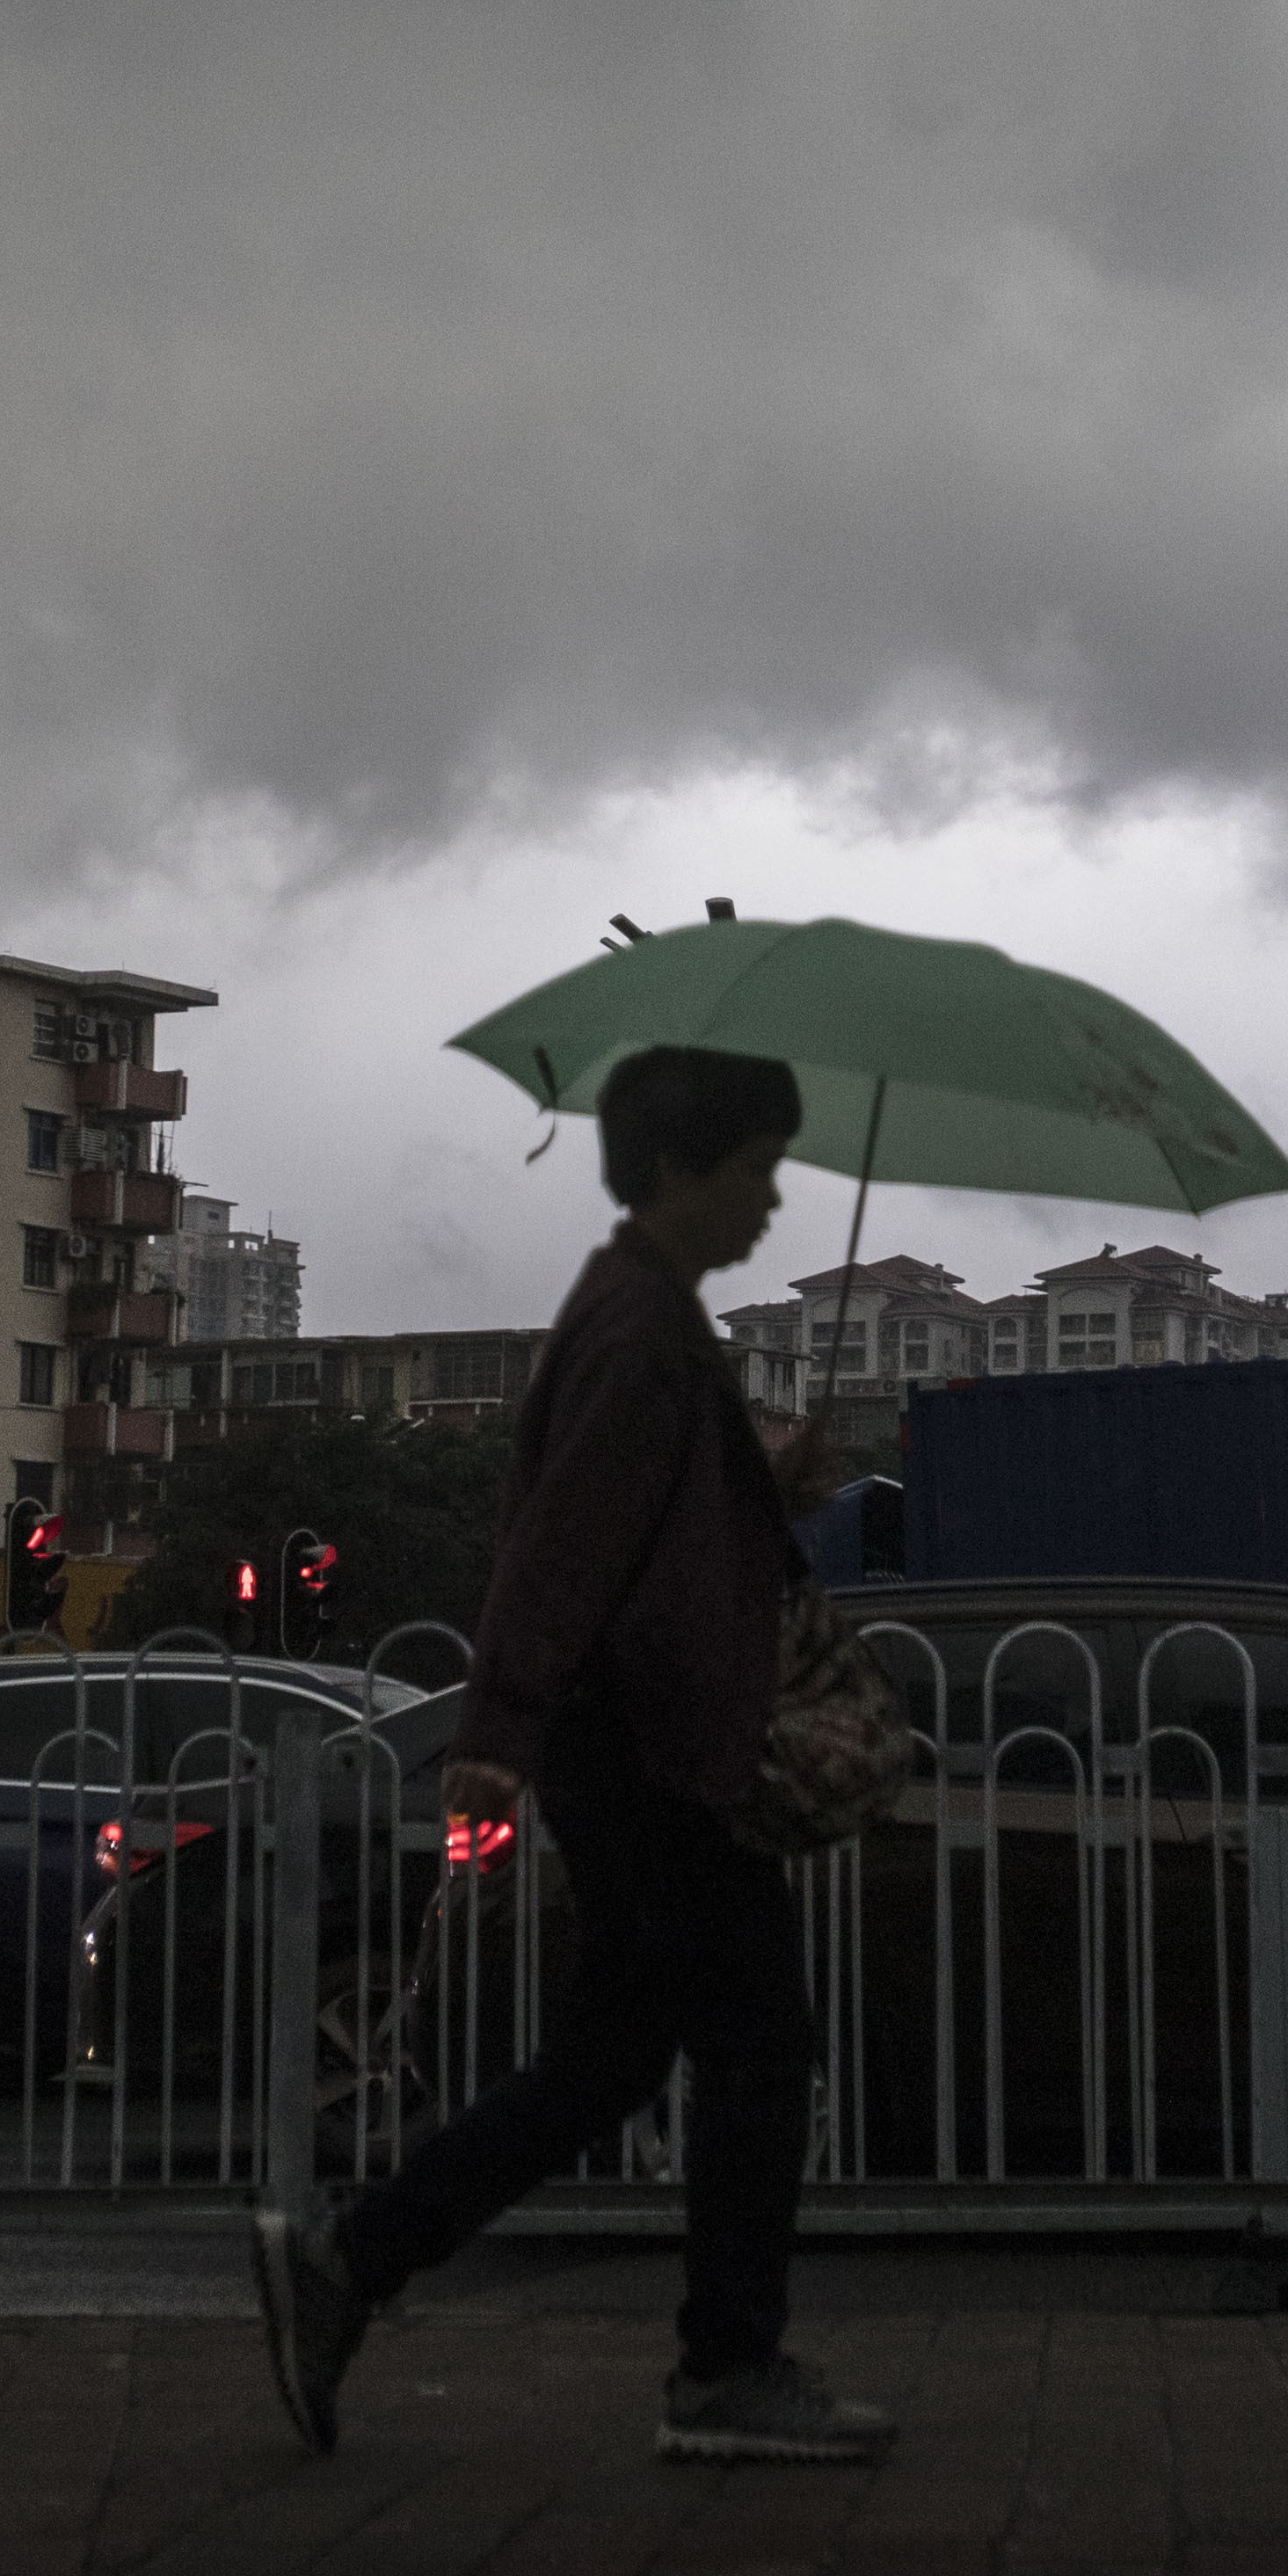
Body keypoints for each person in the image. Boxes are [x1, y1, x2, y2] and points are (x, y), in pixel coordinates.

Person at [252, 1041, 894, 2465]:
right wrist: (495, 1729)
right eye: (752, 1172)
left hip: (634, 1746)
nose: (772, 1205)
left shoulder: (646, 1318)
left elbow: (645, 1530)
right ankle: (726, 2372)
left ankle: (350, 2264)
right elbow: (563, 1544)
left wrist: (761, 1475)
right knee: (756, 2046)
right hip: (660, 1753)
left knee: (609, 2061)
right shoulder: (640, 1331)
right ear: (678, 1173)